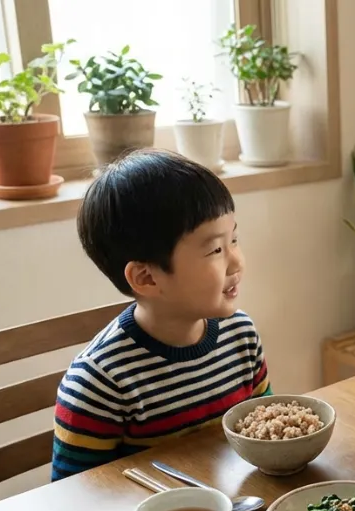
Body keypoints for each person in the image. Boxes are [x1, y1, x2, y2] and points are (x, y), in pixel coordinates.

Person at [50, 150, 271, 481]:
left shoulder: (240, 335)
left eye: (234, 239)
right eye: (215, 249)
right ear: (147, 278)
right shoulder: (100, 382)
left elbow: (266, 437)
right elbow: (77, 498)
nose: (237, 262)